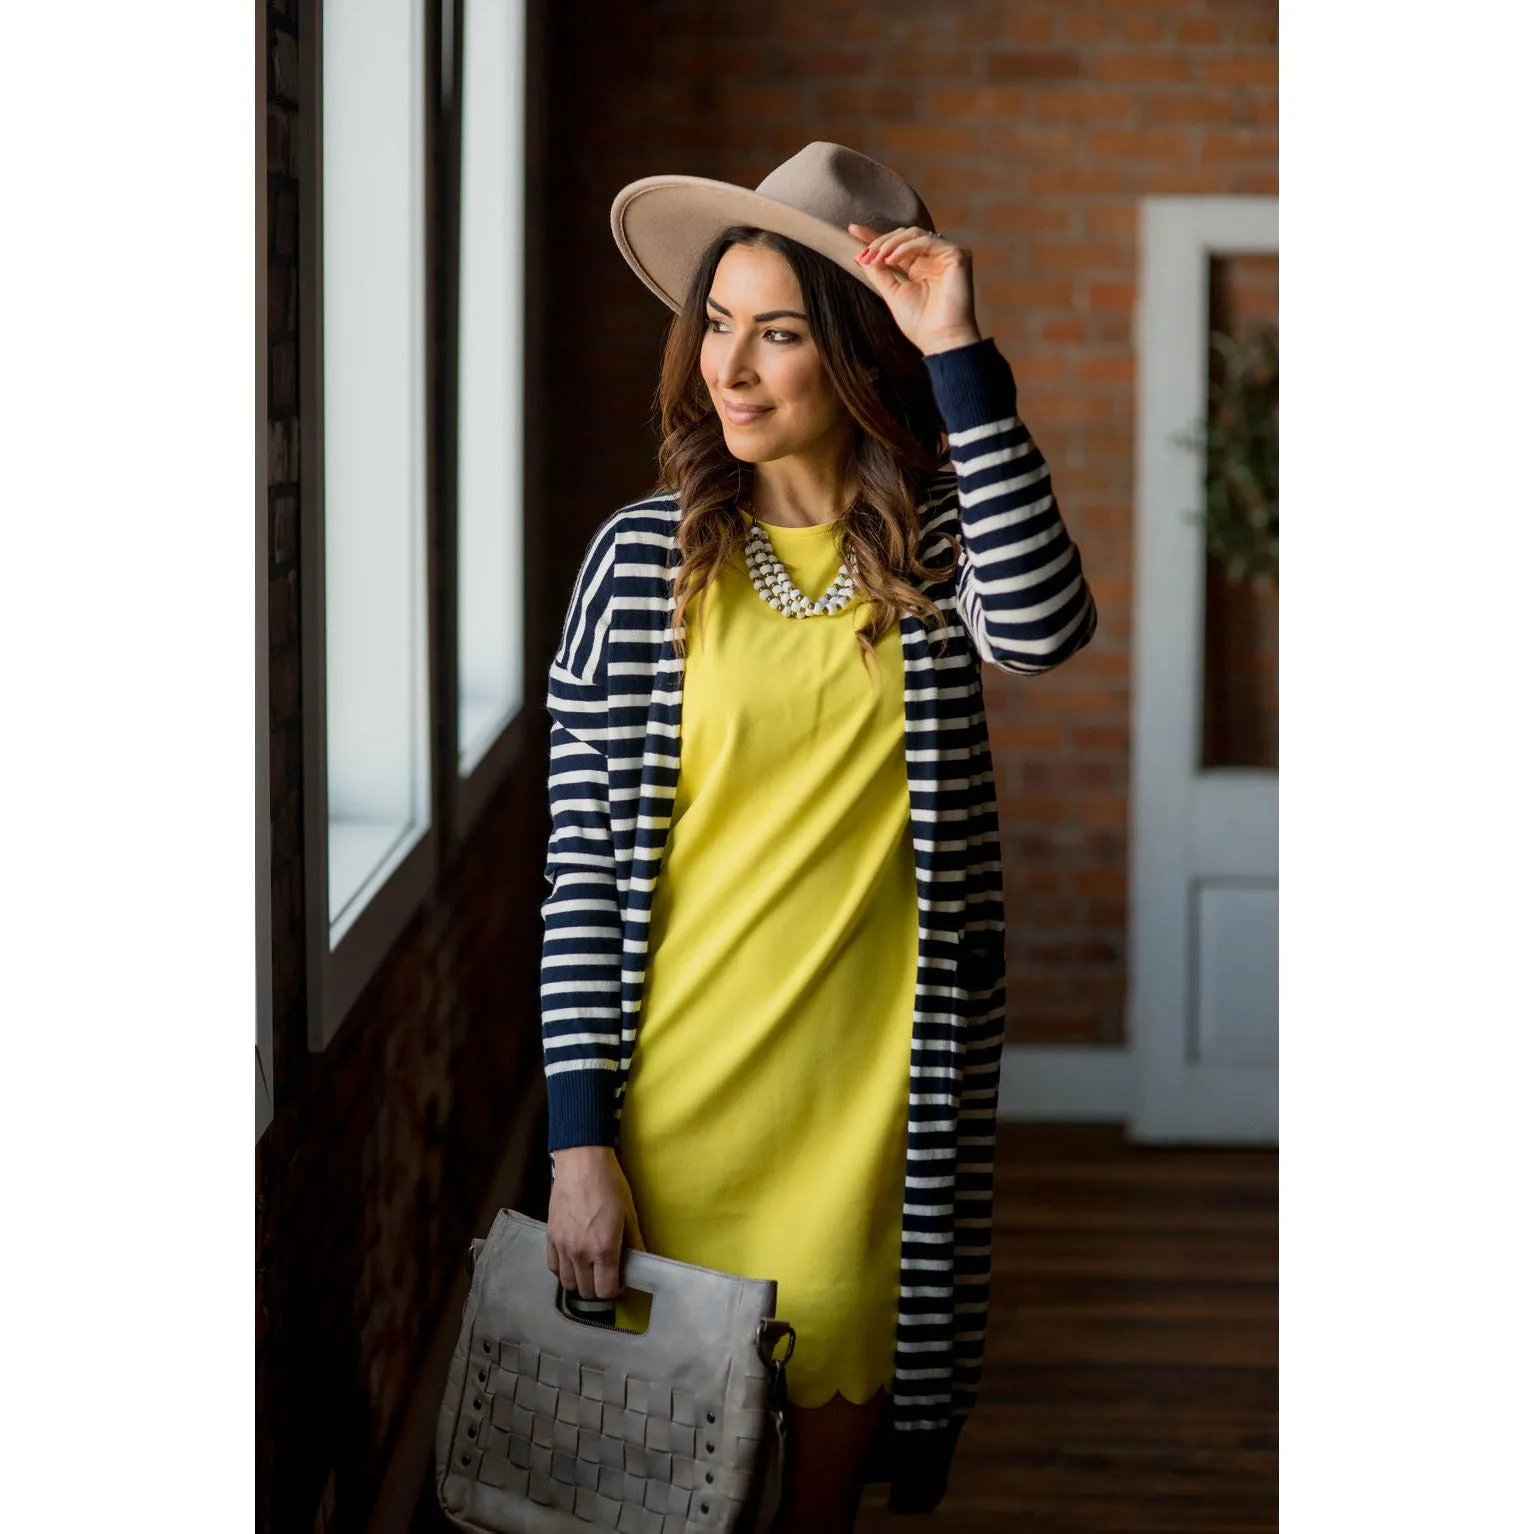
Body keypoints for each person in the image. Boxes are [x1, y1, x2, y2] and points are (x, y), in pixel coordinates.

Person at [540, 142, 1096, 1533]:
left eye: (776, 333)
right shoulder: (638, 564)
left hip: (866, 1132)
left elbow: (1043, 630)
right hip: (673, 1117)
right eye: (715, 325)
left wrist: (957, 347)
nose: (729, 366)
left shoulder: (934, 557)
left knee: (816, 1513)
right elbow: (579, 878)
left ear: (850, 355)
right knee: (657, 1501)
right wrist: (575, 1142)